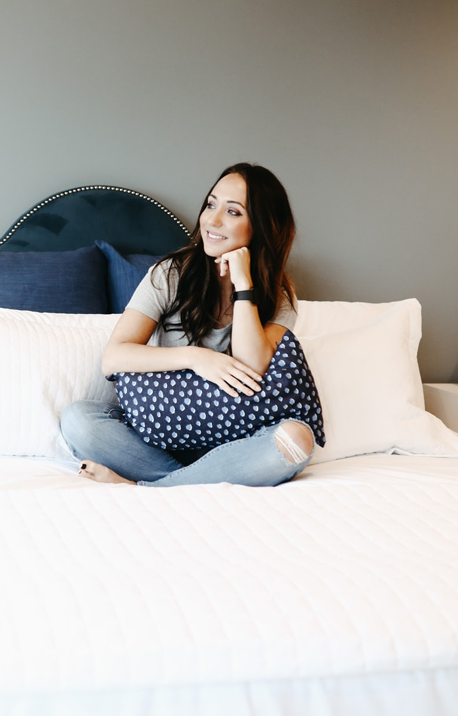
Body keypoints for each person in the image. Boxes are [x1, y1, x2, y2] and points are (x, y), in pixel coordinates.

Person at [61, 163, 324, 487]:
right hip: (157, 436)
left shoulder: (279, 296)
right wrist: (197, 358)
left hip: (234, 442)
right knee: (79, 419)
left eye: (233, 212)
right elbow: (115, 357)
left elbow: (253, 364)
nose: (212, 220)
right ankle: (191, 481)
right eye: (211, 204)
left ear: (263, 226)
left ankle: (147, 487)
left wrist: (244, 286)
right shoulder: (170, 274)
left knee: (298, 439)